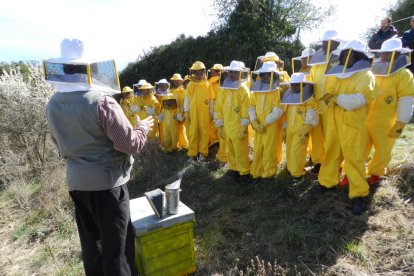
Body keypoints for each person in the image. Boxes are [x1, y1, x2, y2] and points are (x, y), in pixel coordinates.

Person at [45, 38, 154, 275]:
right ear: (89, 69)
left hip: (77, 184)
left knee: (92, 246)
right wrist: (143, 127)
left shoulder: (52, 104)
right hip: (108, 186)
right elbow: (129, 144)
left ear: (63, 70)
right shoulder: (102, 102)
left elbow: (59, 144)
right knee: (118, 251)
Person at [312, 40, 378, 215]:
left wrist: (337, 99)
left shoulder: (365, 75)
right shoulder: (335, 73)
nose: (345, 57)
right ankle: (327, 182)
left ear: (358, 56)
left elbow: (360, 99)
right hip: (334, 120)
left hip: (354, 123)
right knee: (332, 152)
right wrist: (327, 98)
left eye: (350, 54)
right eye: (343, 54)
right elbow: (331, 91)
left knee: (354, 157)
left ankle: (359, 194)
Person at [365, 38, 414, 184]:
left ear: (397, 54)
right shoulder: (373, 71)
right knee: (358, 148)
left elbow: (406, 100)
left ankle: (375, 173)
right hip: (365, 118)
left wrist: (401, 122)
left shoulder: (404, 75)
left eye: (388, 54)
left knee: (383, 149)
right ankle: (351, 173)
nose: (384, 57)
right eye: (383, 53)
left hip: (386, 121)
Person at [308, 30, 343, 175]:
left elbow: (342, 84)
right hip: (317, 106)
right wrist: (312, 102)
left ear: (336, 43)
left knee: (332, 137)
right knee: (318, 136)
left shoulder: (340, 62)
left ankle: (334, 165)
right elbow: (310, 83)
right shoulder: (316, 65)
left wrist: (331, 100)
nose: (324, 45)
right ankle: (320, 162)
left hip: (333, 107)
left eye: (327, 43)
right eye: (323, 42)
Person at [214, 61, 251, 180]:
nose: (232, 74)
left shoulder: (243, 90)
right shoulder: (224, 88)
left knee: (240, 151)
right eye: (231, 72)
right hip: (227, 126)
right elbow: (218, 107)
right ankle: (234, 169)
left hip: (239, 126)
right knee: (230, 150)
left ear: (241, 73)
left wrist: (244, 127)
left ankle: (244, 173)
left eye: (235, 72)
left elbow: (247, 109)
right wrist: (220, 125)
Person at [248, 61, 283, 182]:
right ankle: (256, 171)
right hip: (258, 125)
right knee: (258, 148)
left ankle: (269, 173)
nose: (265, 77)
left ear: (274, 75)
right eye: (263, 74)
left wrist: (264, 123)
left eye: (268, 74)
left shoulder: (277, 91)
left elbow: (278, 111)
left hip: (271, 125)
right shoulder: (256, 90)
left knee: (269, 149)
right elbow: (251, 106)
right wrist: (254, 121)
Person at [280, 73, 319, 184]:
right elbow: (287, 114)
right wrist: (285, 128)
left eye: (297, 85)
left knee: (297, 153)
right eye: (293, 85)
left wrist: (306, 128)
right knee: (290, 151)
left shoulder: (309, 99)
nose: (295, 87)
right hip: (290, 130)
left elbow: (312, 113)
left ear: (303, 85)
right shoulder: (290, 97)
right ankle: (291, 170)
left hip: (301, 131)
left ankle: (297, 175)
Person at [184, 61, 215, 161]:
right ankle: (193, 153)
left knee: (204, 132)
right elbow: (187, 100)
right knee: (193, 133)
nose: (199, 75)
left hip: (204, 113)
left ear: (204, 72)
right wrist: (186, 111)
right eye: (197, 73)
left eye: (201, 73)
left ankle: (202, 152)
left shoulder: (208, 85)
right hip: (193, 113)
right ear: (193, 73)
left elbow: (211, 100)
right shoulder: (190, 85)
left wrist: (211, 112)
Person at [208, 64, 226, 162]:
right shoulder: (210, 83)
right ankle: (216, 143)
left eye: (216, 71)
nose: (213, 72)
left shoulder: (225, 82)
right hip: (216, 107)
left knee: (218, 126)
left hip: (220, 107)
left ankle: (218, 144)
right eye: (214, 70)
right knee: (216, 126)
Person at [170, 73, 188, 149]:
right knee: (174, 129)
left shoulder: (183, 90)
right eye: (175, 81)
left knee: (182, 128)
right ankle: (175, 145)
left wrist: (182, 112)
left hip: (182, 112)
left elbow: (185, 101)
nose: (177, 82)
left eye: (178, 80)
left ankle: (184, 145)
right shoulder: (170, 91)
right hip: (173, 112)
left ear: (181, 81)